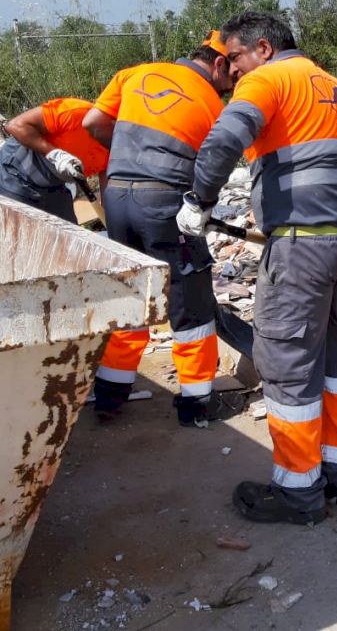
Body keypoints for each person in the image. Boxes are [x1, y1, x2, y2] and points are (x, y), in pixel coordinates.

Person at [176, 10, 337, 525]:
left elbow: (224, 140)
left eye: (235, 58)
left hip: (304, 247)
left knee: (287, 363)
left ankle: (297, 492)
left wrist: (199, 201)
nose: (232, 70)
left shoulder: (268, 80)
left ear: (263, 48)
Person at [82, 32, 234, 427]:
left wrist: (130, 157)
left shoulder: (135, 73)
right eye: (232, 76)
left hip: (117, 195)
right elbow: (216, 163)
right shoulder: (212, 103)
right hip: (164, 200)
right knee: (190, 300)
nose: (232, 85)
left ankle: (109, 395)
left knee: (132, 292)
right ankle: (196, 403)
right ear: (218, 64)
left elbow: (92, 122)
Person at [0, 97, 108, 221]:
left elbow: (108, 192)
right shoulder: (76, 112)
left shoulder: (115, 148)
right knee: (19, 226)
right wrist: (55, 154)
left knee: (68, 230)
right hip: (14, 175)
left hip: (53, 186)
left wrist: (111, 219)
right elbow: (15, 125)